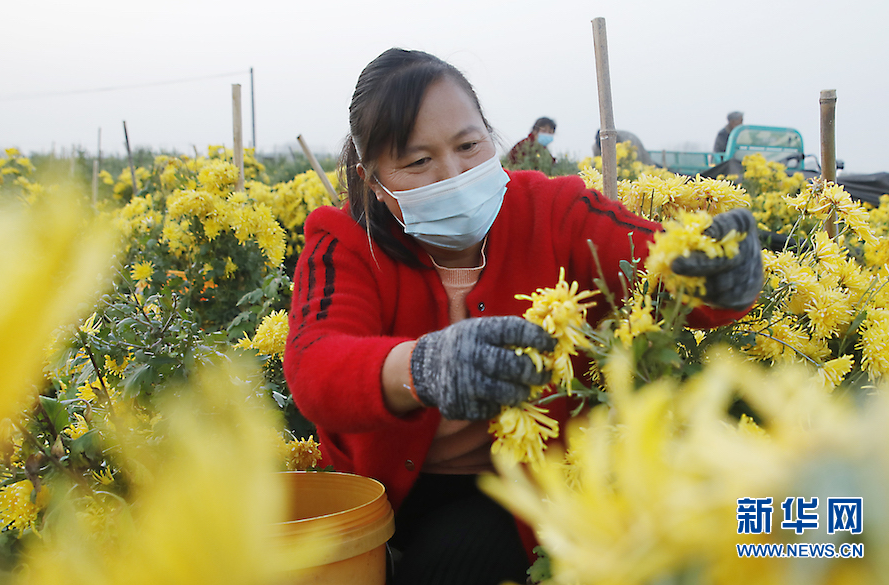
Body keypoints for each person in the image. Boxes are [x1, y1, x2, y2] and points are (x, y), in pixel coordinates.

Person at [283, 48, 763, 585]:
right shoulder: (348, 241)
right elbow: (314, 365)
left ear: (490, 137)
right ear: (372, 179)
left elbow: (654, 259)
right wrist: (422, 367)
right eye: (418, 162)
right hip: (392, 493)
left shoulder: (552, 210)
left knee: (458, 558)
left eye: (468, 145)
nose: (454, 174)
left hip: (534, 486)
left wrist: (712, 273)